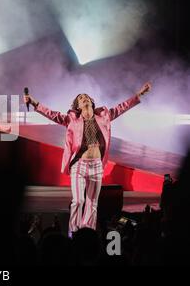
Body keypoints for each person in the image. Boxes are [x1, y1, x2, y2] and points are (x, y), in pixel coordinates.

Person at [24, 82, 152, 236]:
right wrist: (34, 102)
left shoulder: (104, 116)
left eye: (86, 97)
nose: (84, 98)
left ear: (91, 102)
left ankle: (88, 234)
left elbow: (121, 107)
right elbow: (52, 114)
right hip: (79, 165)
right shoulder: (72, 119)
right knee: (78, 201)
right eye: (80, 98)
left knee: (92, 203)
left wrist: (138, 95)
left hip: (97, 166)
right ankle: (74, 232)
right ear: (77, 105)